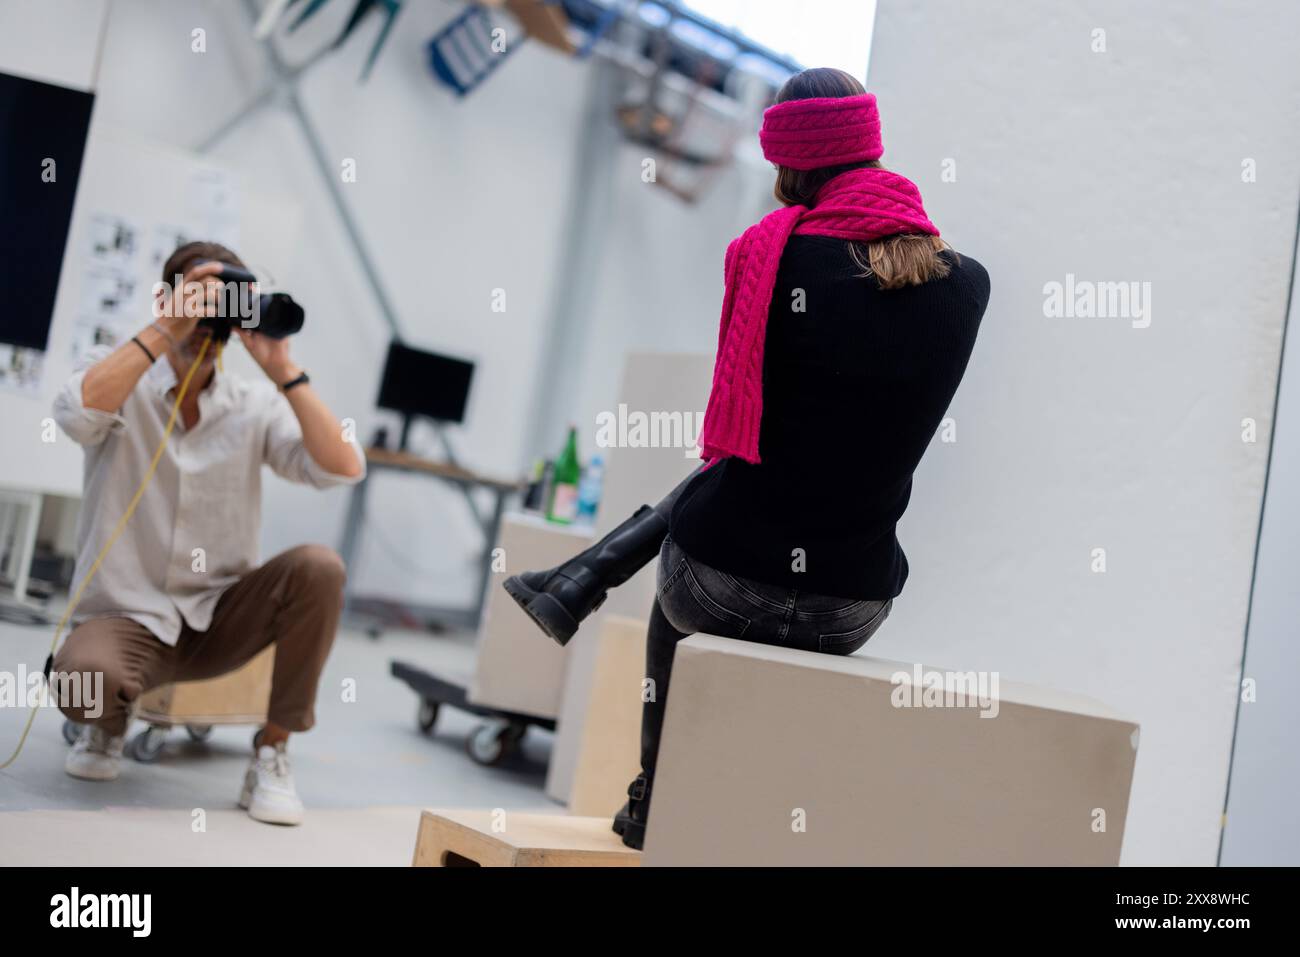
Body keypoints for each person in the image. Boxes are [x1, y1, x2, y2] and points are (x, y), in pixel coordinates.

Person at [504, 68, 991, 849]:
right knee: (740, 480)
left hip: (719, 584)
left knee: (714, 502)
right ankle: (763, 818)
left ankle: (649, 797)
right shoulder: (967, 283)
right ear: (867, 145)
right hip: (852, 603)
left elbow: (741, 441)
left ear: (792, 161)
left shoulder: (768, 258)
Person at [50, 241, 365, 826]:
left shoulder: (251, 404)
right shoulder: (117, 373)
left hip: (218, 618)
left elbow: (342, 467)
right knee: (82, 683)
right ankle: (102, 726)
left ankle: (271, 752)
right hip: (125, 618)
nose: (210, 318)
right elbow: (75, 416)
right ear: (168, 298)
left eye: (225, 302)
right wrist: (166, 328)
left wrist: (283, 369)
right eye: (200, 297)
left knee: (321, 567)